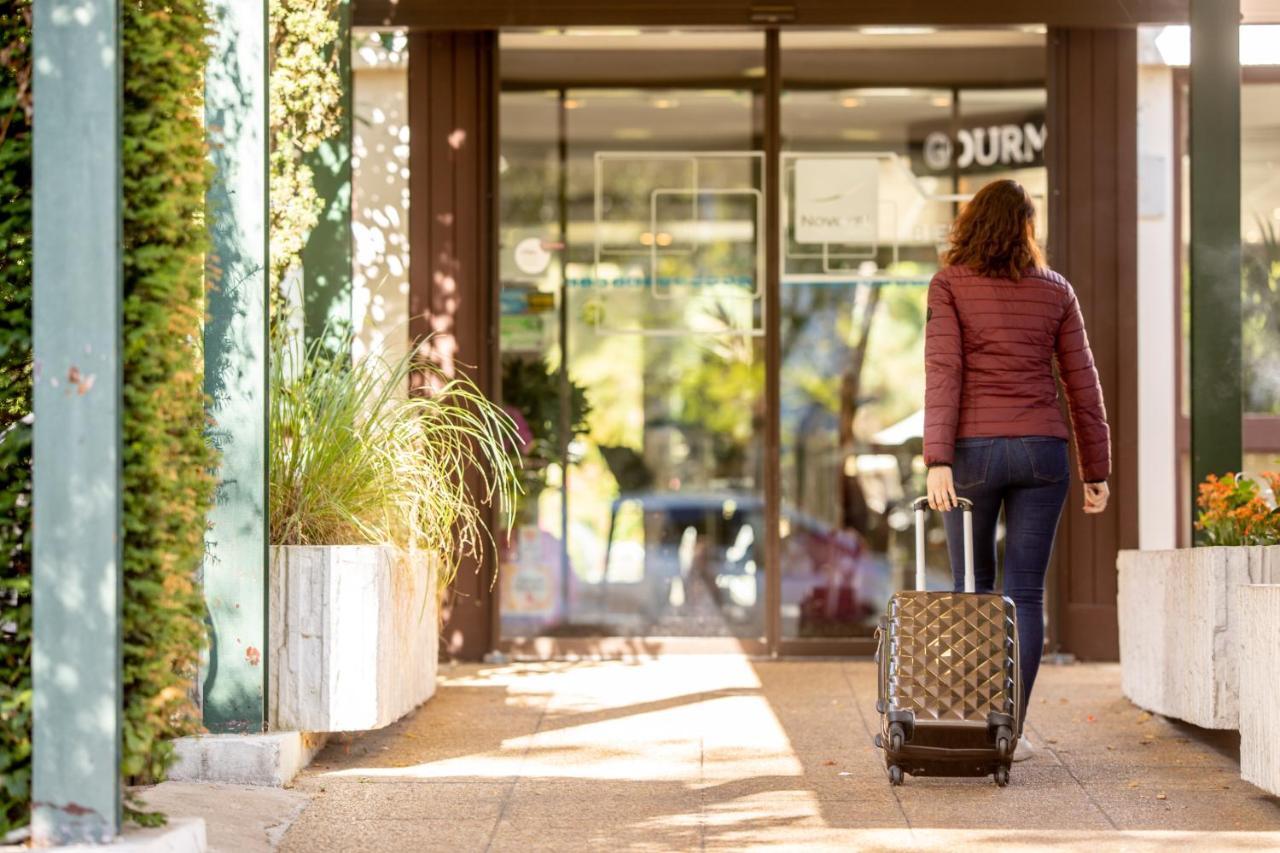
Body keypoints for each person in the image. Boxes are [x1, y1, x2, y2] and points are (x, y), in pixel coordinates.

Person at [922, 179, 1111, 762]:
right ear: (1028, 228)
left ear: (971, 224)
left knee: (969, 589)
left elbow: (943, 372)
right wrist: (1095, 468)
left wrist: (938, 460)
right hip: (1041, 451)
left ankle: (970, 721)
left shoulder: (949, 283)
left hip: (973, 453)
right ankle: (1010, 730)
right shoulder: (1056, 290)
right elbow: (1082, 381)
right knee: (1025, 593)